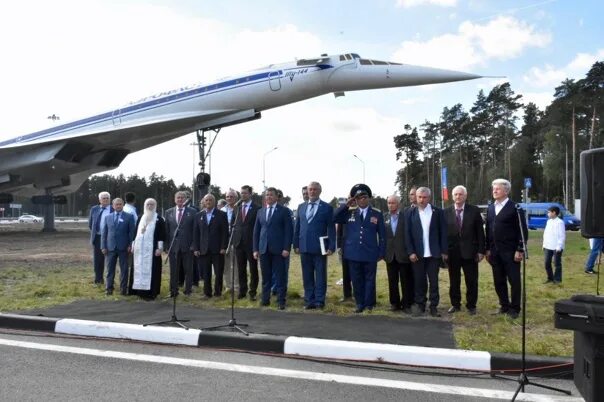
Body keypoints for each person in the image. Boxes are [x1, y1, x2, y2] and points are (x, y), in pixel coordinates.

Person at [334, 184, 386, 314]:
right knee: (356, 280)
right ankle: (359, 303)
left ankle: (369, 304)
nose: (362, 200)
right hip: (353, 253)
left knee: (369, 279)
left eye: (365, 197)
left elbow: (383, 236)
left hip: (370, 253)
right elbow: (334, 217)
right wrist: (347, 204)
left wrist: (381, 252)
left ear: (369, 198)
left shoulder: (377, 214)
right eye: (359, 198)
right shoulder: (349, 213)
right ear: (355, 200)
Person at [485, 178, 528, 319]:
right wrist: (487, 249)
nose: (494, 191)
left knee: (514, 280)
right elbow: (488, 230)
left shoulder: (515, 207)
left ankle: (515, 308)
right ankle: (504, 305)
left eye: (497, 188)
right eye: (493, 188)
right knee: (498, 280)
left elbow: (522, 230)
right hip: (495, 252)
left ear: (506, 191)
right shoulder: (491, 208)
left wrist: (520, 249)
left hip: (511, 251)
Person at [405, 187, 448, 317]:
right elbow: (407, 235)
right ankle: (420, 305)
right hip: (417, 254)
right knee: (419, 281)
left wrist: (444, 251)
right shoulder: (409, 213)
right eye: (419, 197)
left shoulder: (438, 212)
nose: (422, 200)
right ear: (416, 197)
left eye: (424, 197)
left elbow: (443, 233)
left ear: (429, 198)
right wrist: (410, 252)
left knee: (433, 282)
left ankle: (434, 306)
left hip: (434, 254)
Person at [293, 181, 336, 309]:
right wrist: (295, 244)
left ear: (319, 191)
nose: (312, 192)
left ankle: (319, 301)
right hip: (304, 247)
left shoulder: (327, 208)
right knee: (307, 275)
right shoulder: (301, 207)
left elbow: (331, 228)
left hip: (320, 248)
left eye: (315, 189)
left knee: (321, 275)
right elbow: (297, 227)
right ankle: (309, 300)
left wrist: (331, 246)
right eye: (310, 189)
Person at [444, 185, 485, 315]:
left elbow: (480, 232)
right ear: (452, 196)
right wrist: (444, 251)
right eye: (455, 194)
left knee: (471, 281)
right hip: (453, 253)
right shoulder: (446, 212)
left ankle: (471, 305)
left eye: (461, 194)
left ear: (465, 196)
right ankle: (455, 304)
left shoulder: (474, 211)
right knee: (454, 281)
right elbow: (443, 234)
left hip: (470, 252)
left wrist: (481, 251)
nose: (458, 196)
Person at [253, 187, 293, 310]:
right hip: (264, 249)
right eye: (267, 195)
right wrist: (255, 249)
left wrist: (286, 248)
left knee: (280, 277)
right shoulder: (261, 212)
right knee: (266, 276)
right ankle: (265, 300)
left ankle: (281, 301)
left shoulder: (284, 211)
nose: (268, 197)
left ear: (276, 197)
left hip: (279, 250)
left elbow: (288, 231)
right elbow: (256, 232)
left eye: (271, 195)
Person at [192, 194, 229, 298]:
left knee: (218, 273)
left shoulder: (222, 215)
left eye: (210, 200)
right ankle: (207, 293)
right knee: (206, 273)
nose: (208, 202)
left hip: (217, 249)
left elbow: (225, 233)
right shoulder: (198, 216)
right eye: (206, 200)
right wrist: (196, 248)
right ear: (204, 202)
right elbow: (196, 234)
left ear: (214, 202)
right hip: (203, 250)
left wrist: (223, 247)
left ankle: (218, 293)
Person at [131, 198, 166, 300]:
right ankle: (139, 291)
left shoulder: (159, 219)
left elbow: (162, 235)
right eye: (148, 205)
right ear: (145, 206)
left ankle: (151, 292)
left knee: (152, 270)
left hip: (152, 250)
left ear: (155, 206)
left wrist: (159, 248)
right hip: (139, 250)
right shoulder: (140, 218)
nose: (150, 207)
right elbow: (135, 233)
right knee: (139, 268)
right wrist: (133, 245)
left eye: (152, 205)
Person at [384, 195, 413, 313]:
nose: (391, 205)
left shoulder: (405, 217)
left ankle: (406, 303)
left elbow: (410, 235)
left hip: (403, 254)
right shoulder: (384, 217)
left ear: (398, 204)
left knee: (406, 281)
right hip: (390, 255)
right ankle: (394, 303)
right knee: (392, 281)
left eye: (393, 203)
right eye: (389, 203)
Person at [165, 191, 196, 297]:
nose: (180, 199)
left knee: (188, 270)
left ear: (185, 199)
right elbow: (167, 231)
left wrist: (193, 245)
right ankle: (173, 291)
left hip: (188, 246)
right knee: (174, 270)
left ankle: (188, 291)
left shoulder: (192, 212)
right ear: (175, 199)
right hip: (173, 247)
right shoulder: (168, 212)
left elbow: (195, 230)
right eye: (178, 198)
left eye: (182, 198)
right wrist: (167, 246)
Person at [101, 198, 135, 296]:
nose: (118, 206)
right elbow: (104, 233)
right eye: (116, 204)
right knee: (109, 269)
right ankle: (109, 289)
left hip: (124, 248)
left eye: (120, 204)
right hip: (110, 248)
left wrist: (130, 245)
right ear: (113, 205)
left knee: (124, 269)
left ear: (123, 205)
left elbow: (131, 233)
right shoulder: (108, 217)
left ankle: (123, 289)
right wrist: (103, 246)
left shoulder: (129, 217)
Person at [233, 185, 260, 301]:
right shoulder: (237, 207)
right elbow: (233, 224)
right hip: (239, 243)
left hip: (251, 243)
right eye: (241, 193)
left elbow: (258, 227)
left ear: (250, 194)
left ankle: (252, 291)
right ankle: (242, 291)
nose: (242, 195)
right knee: (241, 268)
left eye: (245, 193)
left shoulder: (257, 208)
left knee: (253, 269)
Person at [88, 191, 112, 285]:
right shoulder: (94, 209)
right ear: (99, 200)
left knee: (110, 260)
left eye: (107, 198)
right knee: (98, 260)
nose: (105, 200)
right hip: (98, 238)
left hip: (110, 238)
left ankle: (110, 281)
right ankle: (98, 280)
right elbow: (91, 224)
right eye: (104, 198)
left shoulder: (113, 209)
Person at [542, 206, 566, 283]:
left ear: (554, 212)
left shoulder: (560, 222)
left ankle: (557, 279)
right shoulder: (548, 221)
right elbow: (546, 234)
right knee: (547, 263)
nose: (548, 213)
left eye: (549, 212)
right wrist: (544, 244)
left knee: (557, 263)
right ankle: (550, 278)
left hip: (556, 247)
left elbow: (562, 235)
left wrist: (559, 246)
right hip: (548, 246)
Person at [222, 189, 239, 294]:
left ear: (236, 198)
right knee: (226, 265)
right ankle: (228, 286)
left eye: (231, 196)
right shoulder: (222, 210)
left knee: (236, 265)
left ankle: (236, 287)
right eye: (227, 196)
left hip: (236, 240)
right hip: (225, 240)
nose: (229, 198)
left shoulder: (239, 209)